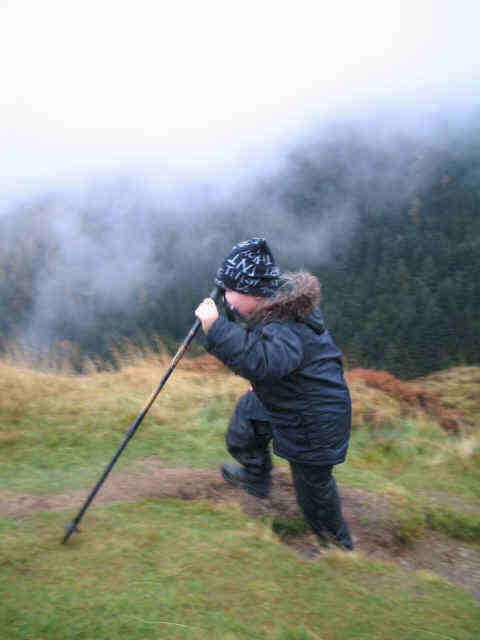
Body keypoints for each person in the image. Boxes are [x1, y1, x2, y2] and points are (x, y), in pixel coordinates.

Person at [195, 237, 353, 550]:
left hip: (315, 419)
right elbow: (270, 358)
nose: (225, 300)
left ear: (253, 291)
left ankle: (337, 546)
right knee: (246, 421)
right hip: (291, 399)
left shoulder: (285, 324)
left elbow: (264, 361)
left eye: (230, 292)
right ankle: (256, 478)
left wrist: (217, 329)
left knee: (313, 490)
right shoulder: (271, 309)